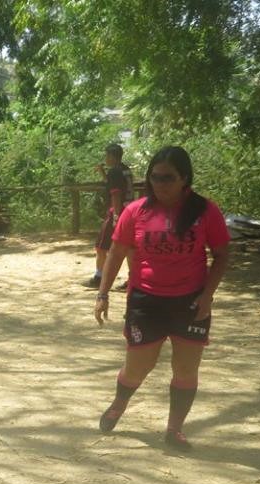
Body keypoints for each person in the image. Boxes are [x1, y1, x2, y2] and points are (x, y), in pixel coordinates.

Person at [94, 146, 229, 450]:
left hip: (191, 303)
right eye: (154, 177)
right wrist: (103, 294)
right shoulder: (136, 210)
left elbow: (221, 256)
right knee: (137, 367)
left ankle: (174, 430)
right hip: (146, 301)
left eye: (168, 178)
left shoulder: (205, 211)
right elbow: (115, 252)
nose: (160, 183)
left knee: (185, 370)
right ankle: (119, 404)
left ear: (185, 178)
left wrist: (207, 296)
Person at [85, 143, 134, 289]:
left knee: (101, 246)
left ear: (112, 156)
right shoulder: (125, 170)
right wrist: (102, 173)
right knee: (130, 247)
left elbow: (116, 193)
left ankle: (99, 277)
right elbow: (114, 184)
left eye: (107, 155)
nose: (105, 159)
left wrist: (116, 216)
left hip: (118, 210)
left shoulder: (114, 172)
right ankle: (133, 279)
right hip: (130, 210)